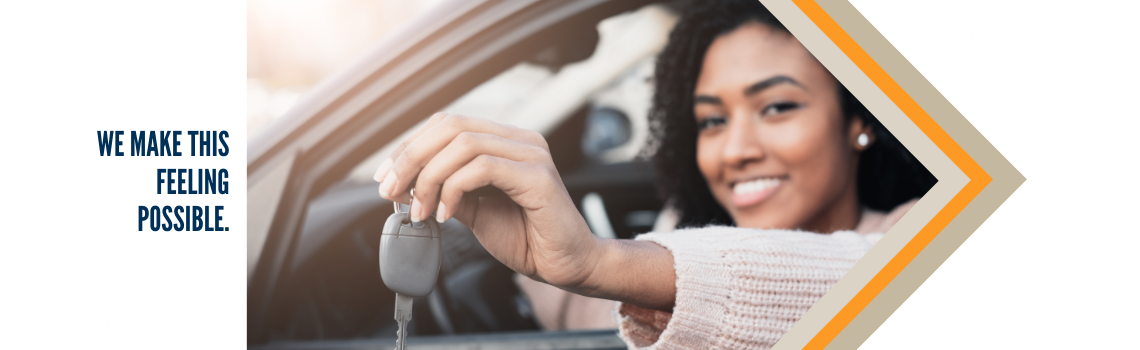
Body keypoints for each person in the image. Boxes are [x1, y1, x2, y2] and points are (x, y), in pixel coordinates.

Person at [372, 0, 935, 348]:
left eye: (777, 107)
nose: (734, 149)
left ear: (858, 122)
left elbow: (867, 275)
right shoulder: (680, 229)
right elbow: (600, 313)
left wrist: (603, 262)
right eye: (712, 120)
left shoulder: (922, 229)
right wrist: (536, 265)